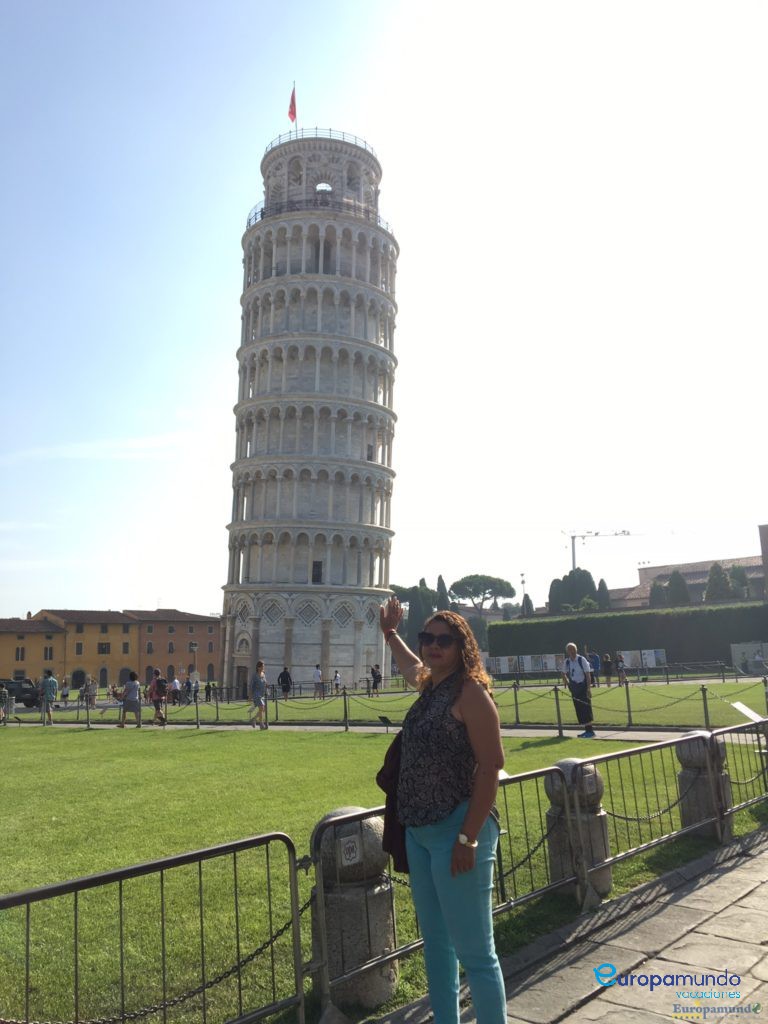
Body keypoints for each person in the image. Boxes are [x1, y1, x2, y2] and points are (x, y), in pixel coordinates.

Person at [378, 596, 507, 1024]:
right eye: (427, 638)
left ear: (461, 646)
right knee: (436, 944)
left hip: (459, 830)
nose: (433, 646)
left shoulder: (471, 693)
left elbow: (491, 767)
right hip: (420, 832)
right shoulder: (431, 683)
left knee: (476, 952)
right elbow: (409, 665)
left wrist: (467, 838)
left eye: (443, 640)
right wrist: (392, 634)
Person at [562, 643, 595, 738]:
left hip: (583, 686)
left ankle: (590, 731)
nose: (572, 652)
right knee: (579, 709)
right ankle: (587, 730)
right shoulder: (567, 662)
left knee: (586, 709)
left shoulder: (581, 660)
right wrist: (568, 684)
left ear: (576, 650)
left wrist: (588, 688)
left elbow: (588, 675)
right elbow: (563, 673)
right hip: (574, 688)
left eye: (573, 649)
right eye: (570, 650)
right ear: (567, 651)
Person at [249, 661, 268, 730]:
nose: (263, 667)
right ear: (258, 667)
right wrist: (250, 696)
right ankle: (261, 724)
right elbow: (251, 686)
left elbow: (265, 682)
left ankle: (254, 719)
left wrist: (266, 685)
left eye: (263, 666)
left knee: (263, 709)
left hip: (262, 694)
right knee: (262, 707)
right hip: (256, 694)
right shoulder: (255, 675)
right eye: (262, 666)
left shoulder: (263, 674)